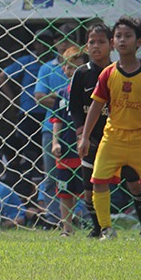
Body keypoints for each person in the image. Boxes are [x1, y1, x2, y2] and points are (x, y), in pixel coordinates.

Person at [69, 23, 141, 238]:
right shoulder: (90, 74)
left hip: (134, 137)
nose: (96, 46)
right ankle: (102, 229)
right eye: (92, 42)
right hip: (104, 138)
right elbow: (84, 107)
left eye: (101, 41)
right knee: (94, 184)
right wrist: (83, 135)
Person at [0, 37, 44, 184]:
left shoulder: (56, 61)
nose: (43, 45)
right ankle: (30, 181)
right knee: (29, 148)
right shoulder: (27, 61)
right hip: (28, 111)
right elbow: (2, 76)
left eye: (47, 41)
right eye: (40, 42)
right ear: (35, 44)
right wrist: (12, 100)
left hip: (49, 110)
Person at [49, 47, 85, 235]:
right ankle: (67, 228)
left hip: (85, 148)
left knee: (89, 190)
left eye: (77, 67)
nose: (73, 71)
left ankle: (96, 225)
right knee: (64, 192)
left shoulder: (91, 92)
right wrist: (55, 142)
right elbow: (57, 120)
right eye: (69, 67)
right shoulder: (62, 94)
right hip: (66, 149)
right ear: (63, 69)